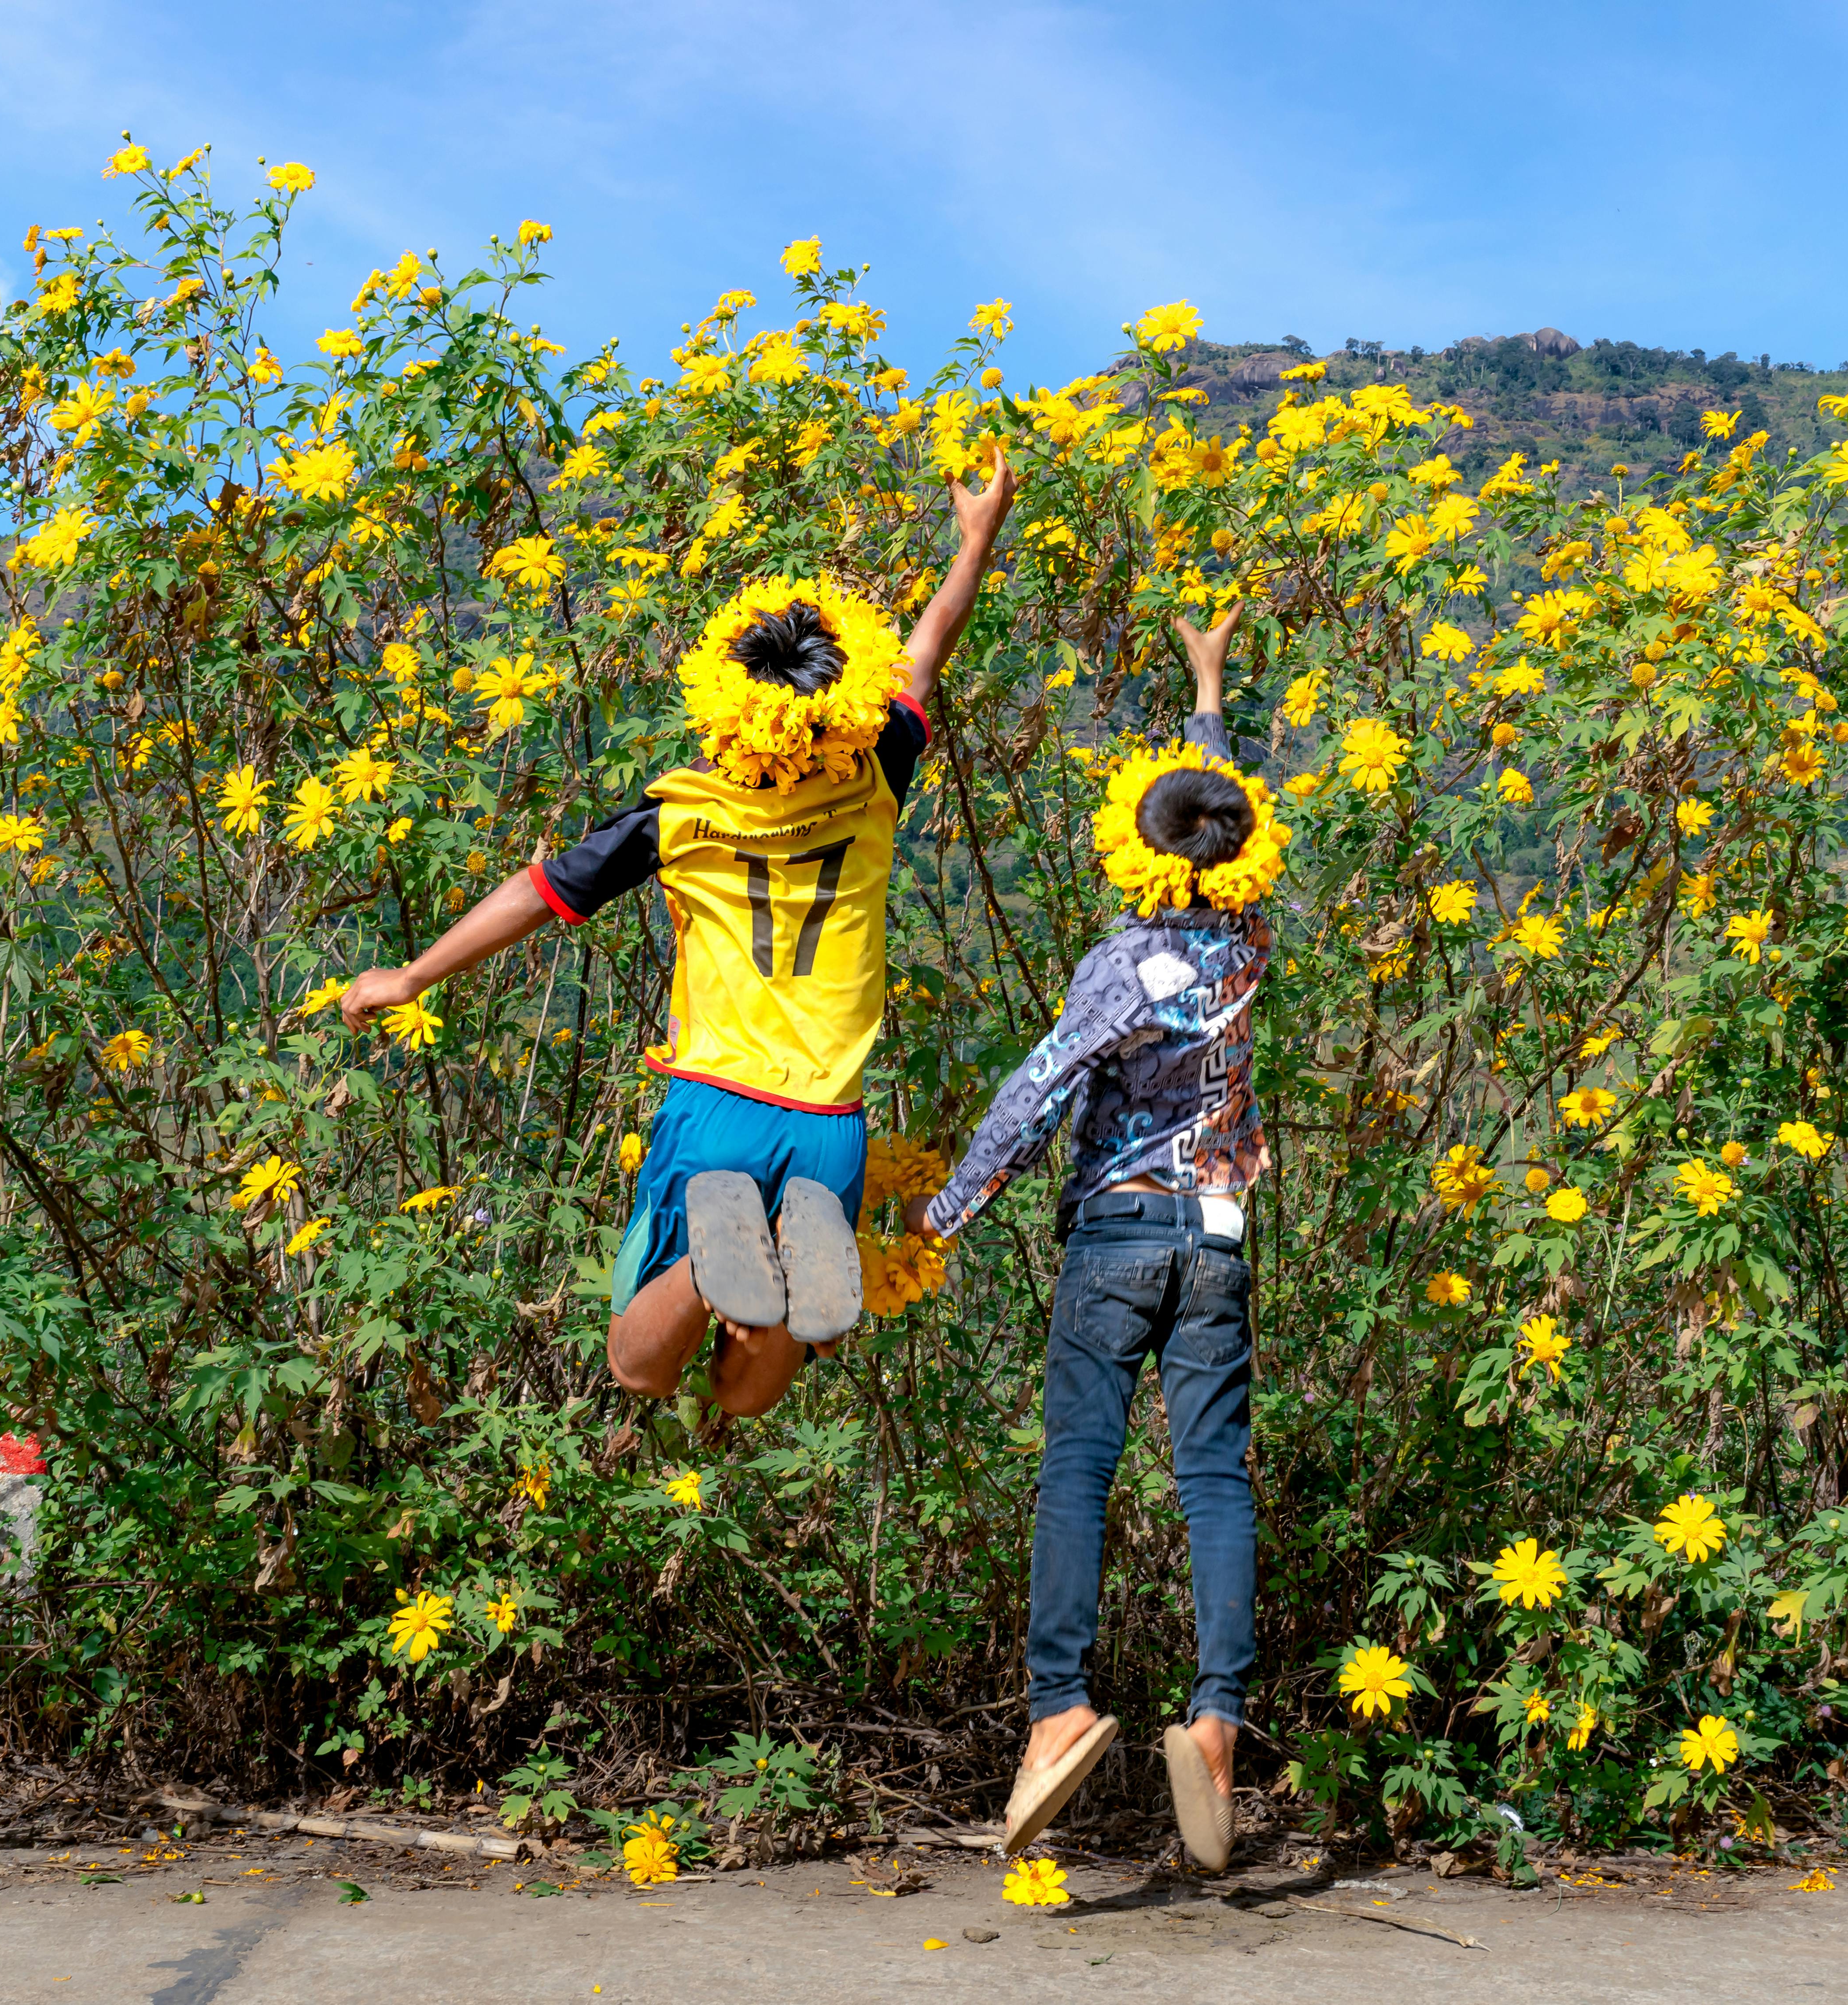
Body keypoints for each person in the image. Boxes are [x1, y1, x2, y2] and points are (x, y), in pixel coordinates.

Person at [341, 452, 1016, 1420]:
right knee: (745, 1399)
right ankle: (776, 1263)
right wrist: (976, 541)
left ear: (730, 708)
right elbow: (925, 655)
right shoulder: (875, 782)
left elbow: (538, 893)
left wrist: (412, 974)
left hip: (718, 1108)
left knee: (638, 1369)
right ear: (843, 710)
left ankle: (709, 1269)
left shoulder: (682, 814)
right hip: (832, 1126)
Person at [905, 604, 1282, 1874]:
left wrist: (943, 1212)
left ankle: (1059, 1705)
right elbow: (1221, 810)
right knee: (1214, 1481)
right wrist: (1211, 686)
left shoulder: (1122, 965)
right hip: (1218, 1242)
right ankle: (1219, 1717)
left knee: (1079, 1471)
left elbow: (1035, 1094)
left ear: (1139, 852)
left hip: (1117, 1242)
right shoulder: (1246, 940)